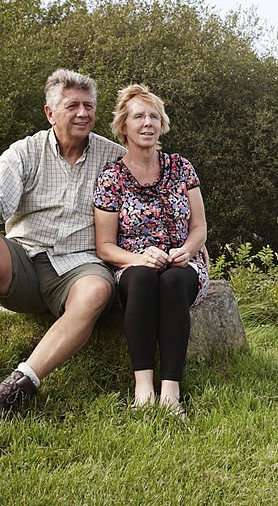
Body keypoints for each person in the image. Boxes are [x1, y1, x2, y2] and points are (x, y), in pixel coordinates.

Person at [0, 69, 126, 421]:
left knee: (96, 291)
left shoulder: (115, 157)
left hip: (81, 265)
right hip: (24, 260)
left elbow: (155, 195)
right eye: (73, 105)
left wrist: (191, 238)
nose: (83, 113)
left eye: (89, 106)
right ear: (50, 113)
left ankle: (19, 385)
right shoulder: (24, 152)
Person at [93, 84, 208, 419]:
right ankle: (143, 389)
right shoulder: (112, 177)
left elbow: (200, 228)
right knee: (143, 279)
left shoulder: (181, 168)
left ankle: (171, 391)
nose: (147, 123)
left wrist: (187, 250)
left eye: (154, 116)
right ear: (123, 126)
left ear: (162, 123)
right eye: (139, 117)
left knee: (173, 282)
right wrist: (139, 258)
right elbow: (105, 246)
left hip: (182, 262)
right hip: (133, 261)